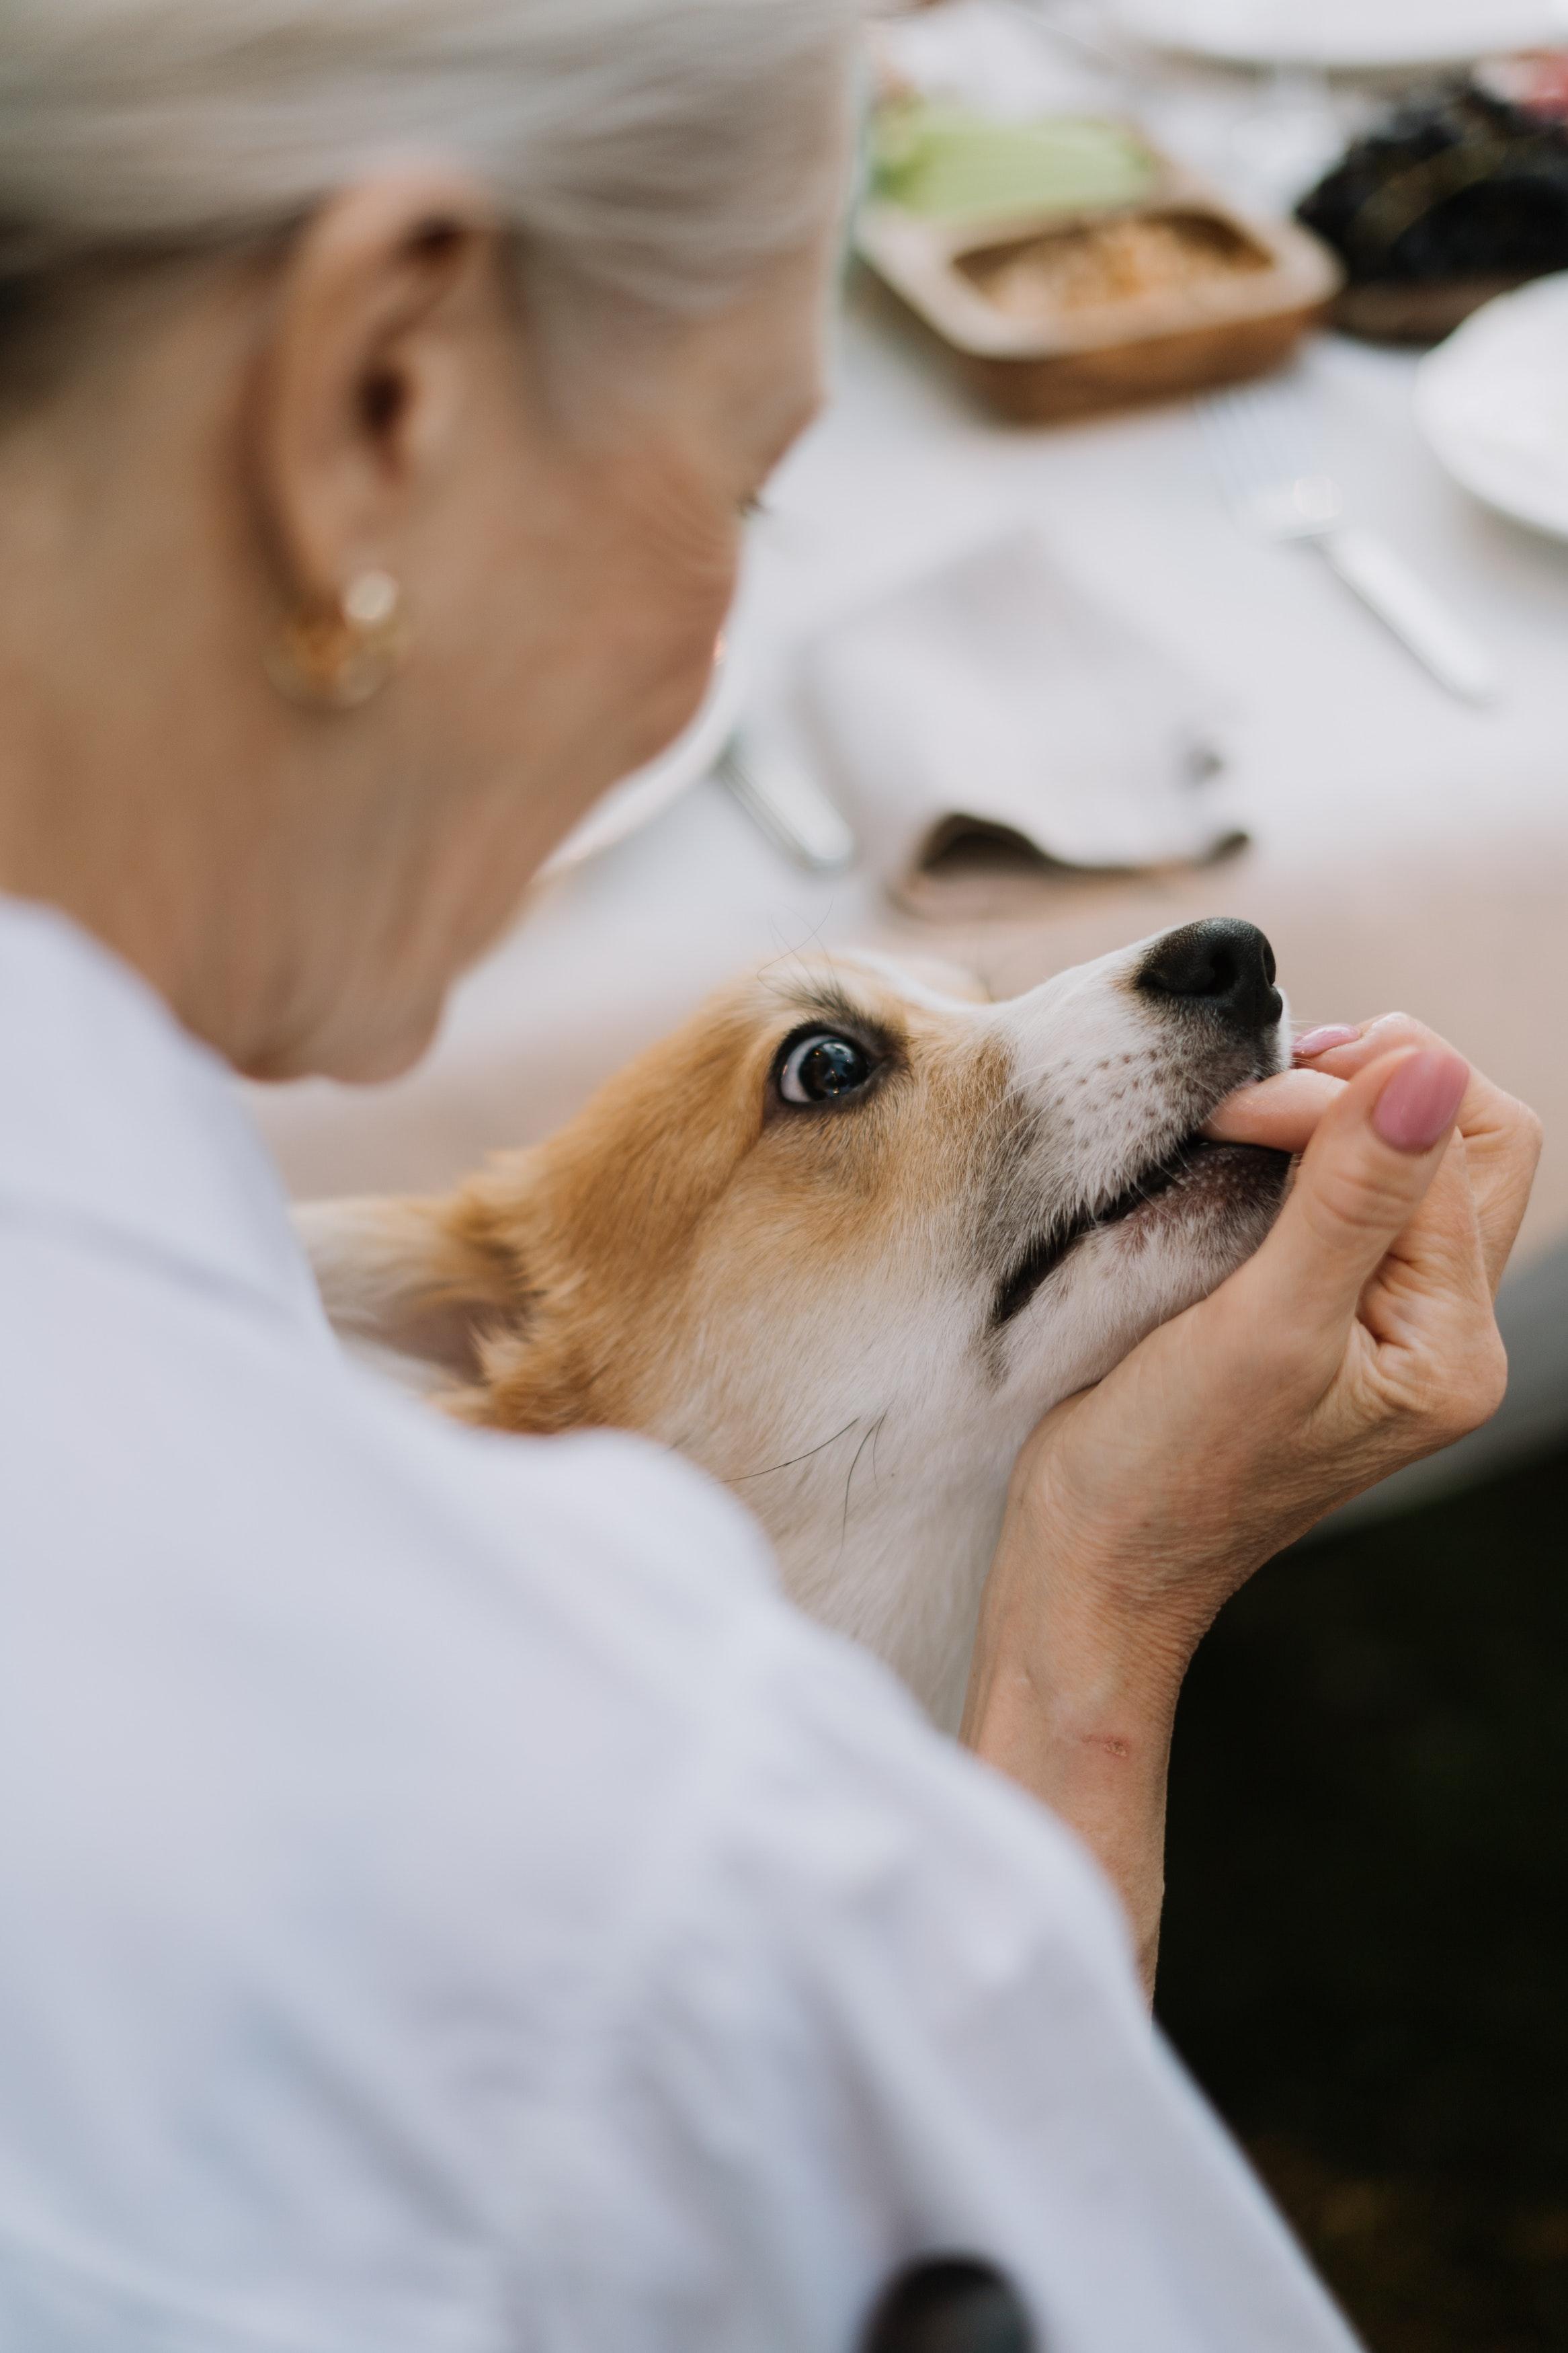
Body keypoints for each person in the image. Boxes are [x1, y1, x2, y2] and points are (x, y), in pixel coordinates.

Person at [0, 3, 1540, 2348]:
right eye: (740, 486)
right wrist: (1098, 1616)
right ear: (376, 402)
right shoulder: (620, 1869)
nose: (712, 635)